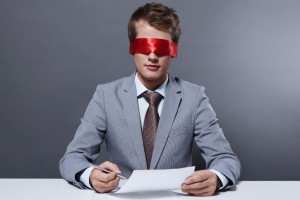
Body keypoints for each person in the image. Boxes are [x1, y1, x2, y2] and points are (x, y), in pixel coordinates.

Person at [59, 2, 241, 196]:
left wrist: (216, 177)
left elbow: (225, 158)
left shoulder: (194, 97)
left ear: (173, 50)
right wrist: (90, 175)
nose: (153, 55)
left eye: (161, 47)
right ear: (132, 48)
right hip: (122, 196)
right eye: (145, 46)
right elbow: (72, 158)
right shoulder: (106, 96)